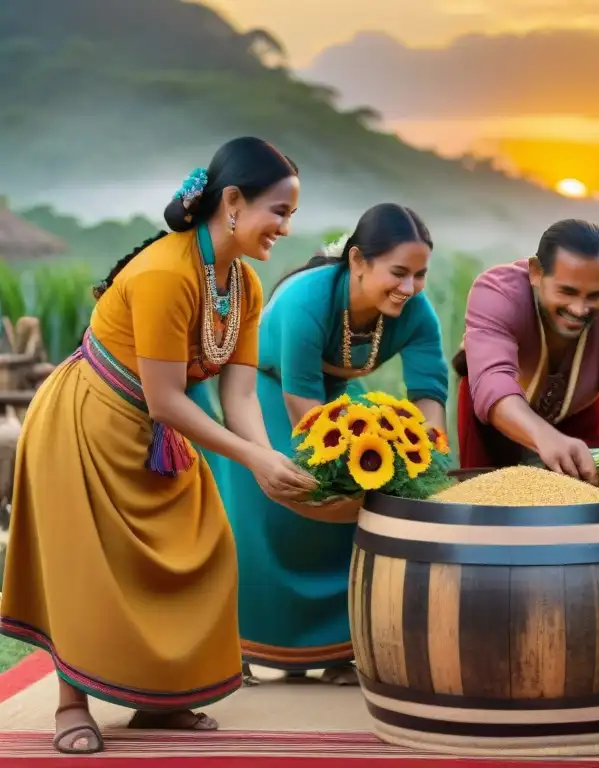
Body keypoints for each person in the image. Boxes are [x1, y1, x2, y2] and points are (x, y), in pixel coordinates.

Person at [0, 137, 321, 755]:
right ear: (232, 201)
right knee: (90, 568)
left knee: (203, 547)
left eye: (292, 215)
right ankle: (72, 704)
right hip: (86, 421)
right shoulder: (164, 274)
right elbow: (167, 399)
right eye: (278, 211)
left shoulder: (245, 289)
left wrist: (269, 459)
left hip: (158, 437)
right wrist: (251, 457)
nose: (285, 227)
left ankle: (160, 699)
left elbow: (242, 399)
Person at [219, 202, 448, 686]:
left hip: (340, 400)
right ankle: (235, 647)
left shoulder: (416, 312)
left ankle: (338, 649)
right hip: (266, 393)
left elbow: (429, 392)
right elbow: (303, 404)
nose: (409, 288)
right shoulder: (307, 300)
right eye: (399, 273)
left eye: (421, 275)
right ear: (359, 261)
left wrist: (422, 453)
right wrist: (343, 470)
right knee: (277, 505)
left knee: (366, 507)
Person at [454, 219, 599, 480]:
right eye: (566, 291)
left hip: (583, 409)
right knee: (486, 504)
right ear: (535, 272)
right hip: (496, 415)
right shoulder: (497, 292)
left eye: (595, 295)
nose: (579, 309)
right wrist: (545, 436)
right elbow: (492, 382)